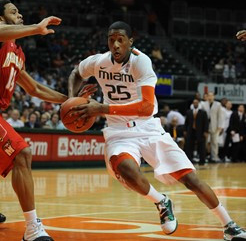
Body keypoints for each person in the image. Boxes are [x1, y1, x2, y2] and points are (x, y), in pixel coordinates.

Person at [67, 21, 246, 241]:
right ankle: (161, 201)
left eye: (120, 39)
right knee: (125, 167)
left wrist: (101, 108)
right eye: (111, 39)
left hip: (148, 127)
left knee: (191, 180)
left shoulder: (141, 62)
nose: (115, 44)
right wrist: (72, 98)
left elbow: (146, 107)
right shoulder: (98, 62)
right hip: (118, 131)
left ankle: (228, 225)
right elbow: (76, 73)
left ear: (130, 41)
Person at [0, 0, 68, 241]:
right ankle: (32, 229)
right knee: (22, 154)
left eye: (19, 11)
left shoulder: (17, 52)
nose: (19, 15)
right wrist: (36, 28)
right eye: (13, 12)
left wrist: (69, 100)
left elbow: (34, 88)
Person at [184, 98, 209, 165]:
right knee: (189, 146)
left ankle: (202, 160)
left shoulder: (203, 112)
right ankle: (189, 160)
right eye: (194, 103)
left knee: (201, 146)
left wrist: (206, 131)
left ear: (198, 104)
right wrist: (185, 130)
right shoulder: (189, 112)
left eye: (196, 103)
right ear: (193, 104)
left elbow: (206, 122)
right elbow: (186, 122)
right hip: (191, 131)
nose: (195, 104)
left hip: (200, 131)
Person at [202, 91, 224, 163]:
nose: (210, 97)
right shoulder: (203, 104)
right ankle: (204, 157)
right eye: (209, 95)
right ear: (207, 96)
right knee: (204, 143)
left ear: (213, 97)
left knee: (214, 142)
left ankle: (214, 157)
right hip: (205, 126)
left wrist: (220, 126)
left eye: (211, 96)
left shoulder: (218, 104)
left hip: (214, 126)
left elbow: (220, 116)